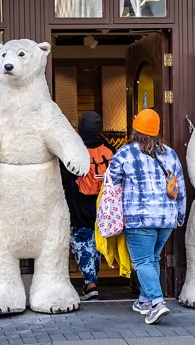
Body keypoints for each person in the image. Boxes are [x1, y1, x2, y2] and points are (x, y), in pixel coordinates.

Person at [108, 109, 186, 325]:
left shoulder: (125, 154)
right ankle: (144, 300)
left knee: (142, 261)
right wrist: (180, 215)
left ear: (136, 131)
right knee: (152, 259)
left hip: (139, 218)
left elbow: (111, 183)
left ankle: (157, 303)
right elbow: (180, 188)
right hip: (166, 218)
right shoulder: (170, 154)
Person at [60, 111, 115, 301]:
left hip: (78, 205)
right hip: (101, 206)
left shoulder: (74, 150)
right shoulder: (109, 150)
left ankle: (90, 283)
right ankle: (93, 282)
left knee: (82, 244)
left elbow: (64, 177)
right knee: (97, 244)